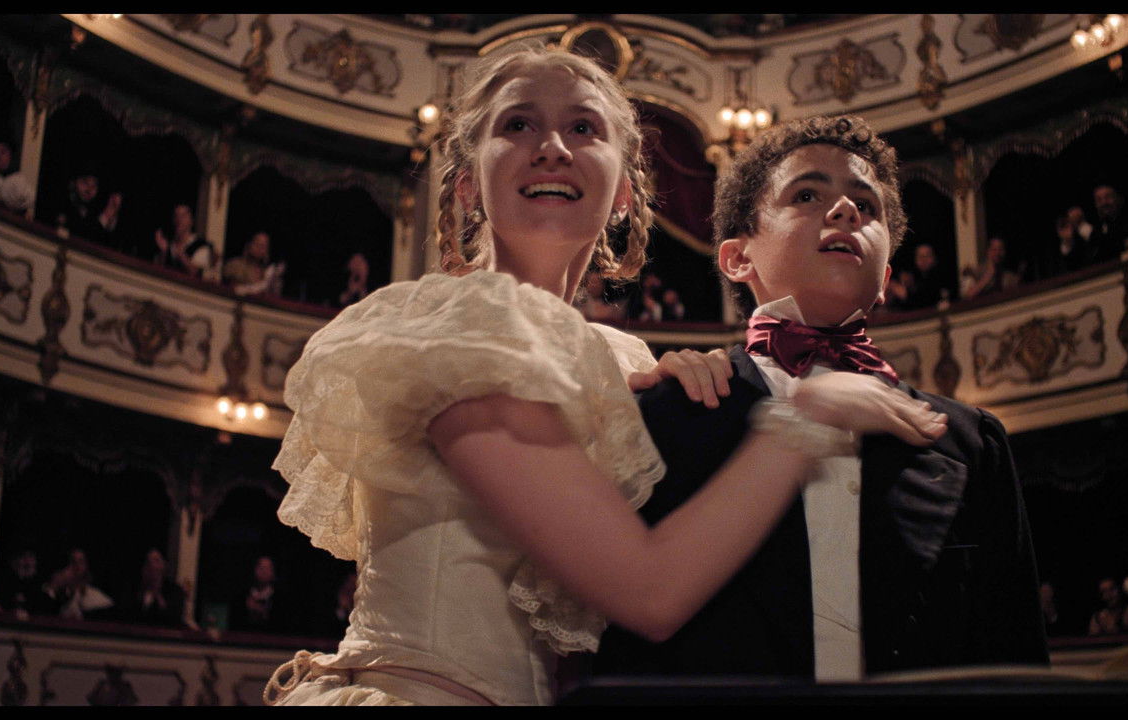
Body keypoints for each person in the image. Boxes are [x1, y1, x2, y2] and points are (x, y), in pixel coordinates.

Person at [263, 48, 945, 706]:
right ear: (467, 181)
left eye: (584, 128)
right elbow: (649, 592)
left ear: (623, 193)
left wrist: (674, 394)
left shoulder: (622, 361)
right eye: (518, 124)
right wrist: (808, 414)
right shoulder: (456, 326)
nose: (552, 147)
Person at [594, 114, 1048, 683]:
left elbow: (1013, 662)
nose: (846, 210)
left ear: (886, 274)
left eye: (868, 205)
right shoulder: (669, 412)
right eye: (807, 195)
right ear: (738, 259)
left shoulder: (970, 443)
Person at [44, 171, 123, 247]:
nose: (89, 190)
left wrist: (110, 215)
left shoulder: (92, 209)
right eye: (85, 183)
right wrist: (104, 217)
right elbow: (79, 237)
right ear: (73, 183)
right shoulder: (61, 203)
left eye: (94, 186)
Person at [118, 548, 186, 628]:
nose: (152, 565)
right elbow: (124, 614)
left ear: (164, 565)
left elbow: (174, 618)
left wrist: (157, 594)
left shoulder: (174, 591)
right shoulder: (134, 588)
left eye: (156, 561)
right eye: (148, 562)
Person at [44, 547, 115, 620]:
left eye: (81, 562)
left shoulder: (96, 597)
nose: (76, 566)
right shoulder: (52, 590)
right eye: (73, 561)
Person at [153, 204, 218, 280]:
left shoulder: (201, 245)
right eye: (176, 216)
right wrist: (164, 252)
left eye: (183, 216)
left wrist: (180, 254)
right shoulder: (169, 244)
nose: (179, 220)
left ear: (191, 221)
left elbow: (195, 273)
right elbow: (158, 271)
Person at [887, 242, 951, 309]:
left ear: (935, 258)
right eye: (920, 256)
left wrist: (904, 294)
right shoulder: (917, 276)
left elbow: (925, 302)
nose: (923, 260)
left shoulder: (939, 278)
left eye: (927, 255)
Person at [0, 548, 52, 619]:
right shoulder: (8, 581)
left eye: (30, 557)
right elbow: (3, 601)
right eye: (23, 557)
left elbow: (43, 605)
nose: (27, 561)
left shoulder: (41, 584)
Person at [223, 230, 285, 297]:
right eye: (257, 243)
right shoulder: (235, 264)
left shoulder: (267, 273)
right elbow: (233, 289)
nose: (259, 248)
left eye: (263, 246)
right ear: (249, 244)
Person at [1033, 211, 1087, 281]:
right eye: (1062, 227)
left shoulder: (1081, 244)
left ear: (1072, 227)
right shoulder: (1053, 252)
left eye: (1067, 226)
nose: (1065, 231)